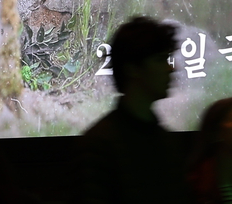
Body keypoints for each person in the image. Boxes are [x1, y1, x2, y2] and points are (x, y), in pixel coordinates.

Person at [77, 16, 189, 204]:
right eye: (160, 59)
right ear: (133, 69)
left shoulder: (168, 142)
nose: (171, 68)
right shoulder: (99, 146)